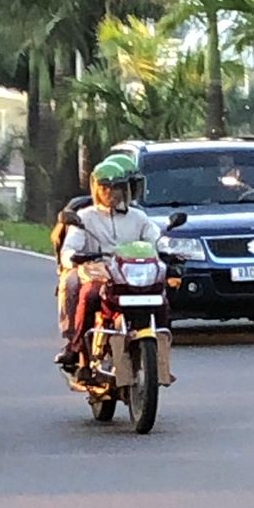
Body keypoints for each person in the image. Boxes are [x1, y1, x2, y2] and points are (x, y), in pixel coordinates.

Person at [53, 153, 165, 368]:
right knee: (88, 294)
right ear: (96, 189)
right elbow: (70, 247)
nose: (109, 193)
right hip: (98, 273)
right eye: (104, 187)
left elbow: (156, 240)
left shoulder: (139, 217)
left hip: (131, 273)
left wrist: (169, 251)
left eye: (116, 188)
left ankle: (160, 344)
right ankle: (77, 347)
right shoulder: (85, 217)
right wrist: (72, 258)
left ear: (125, 190)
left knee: (161, 297)